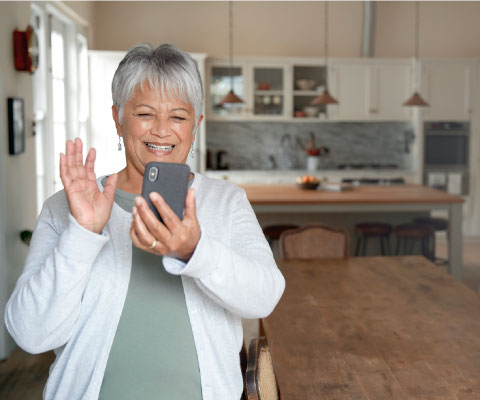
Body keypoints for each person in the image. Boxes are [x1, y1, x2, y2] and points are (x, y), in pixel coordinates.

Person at [5, 43, 285, 400]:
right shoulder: (67, 208)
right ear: (118, 118)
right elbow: (30, 335)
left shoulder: (226, 202)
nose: (162, 130)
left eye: (179, 117)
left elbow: (264, 297)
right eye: (146, 113)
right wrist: (83, 233)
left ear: (196, 125)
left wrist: (194, 250)